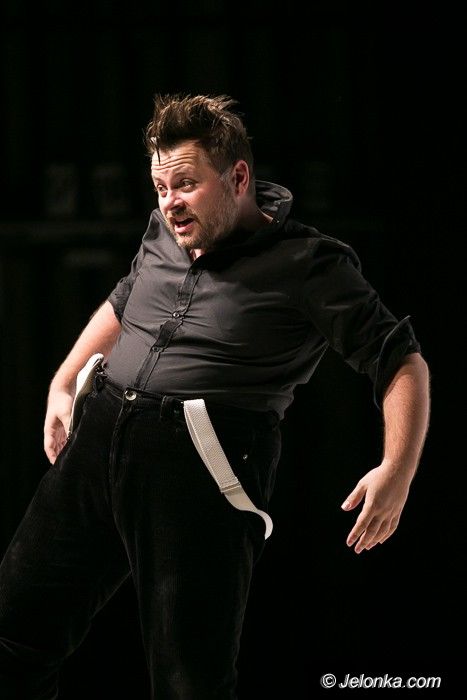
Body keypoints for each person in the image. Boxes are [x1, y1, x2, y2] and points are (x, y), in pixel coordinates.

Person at [0, 93, 430, 699]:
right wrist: (63, 380)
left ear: (238, 177)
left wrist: (398, 469)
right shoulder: (163, 232)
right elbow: (126, 298)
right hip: (99, 440)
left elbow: (401, 359)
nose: (169, 203)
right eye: (160, 188)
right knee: (13, 632)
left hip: (200, 462)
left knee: (189, 681)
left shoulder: (309, 264)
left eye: (185, 185)